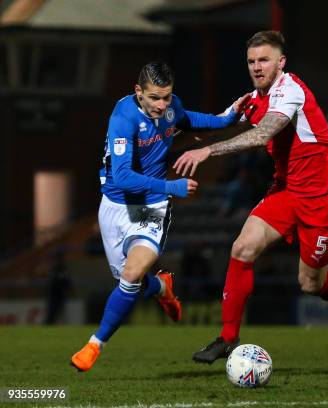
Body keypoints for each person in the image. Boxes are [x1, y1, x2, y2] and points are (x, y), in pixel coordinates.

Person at [173, 31, 328, 364]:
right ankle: (227, 337)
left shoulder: (290, 92)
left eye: (264, 60)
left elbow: (263, 134)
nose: (257, 67)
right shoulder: (253, 98)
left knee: (310, 284)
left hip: (322, 197)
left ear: (280, 62)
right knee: (243, 247)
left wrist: (207, 151)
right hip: (286, 191)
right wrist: (170, 130)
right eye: (252, 61)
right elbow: (219, 121)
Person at [70, 61, 250, 371]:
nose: (162, 105)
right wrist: (172, 185)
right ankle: (162, 287)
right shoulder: (123, 118)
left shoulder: (170, 106)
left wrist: (229, 118)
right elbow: (124, 177)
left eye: (167, 97)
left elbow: (189, 118)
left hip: (151, 207)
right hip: (115, 207)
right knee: (132, 283)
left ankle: (93, 345)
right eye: (154, 97)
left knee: (129, 278)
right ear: (138, 91)